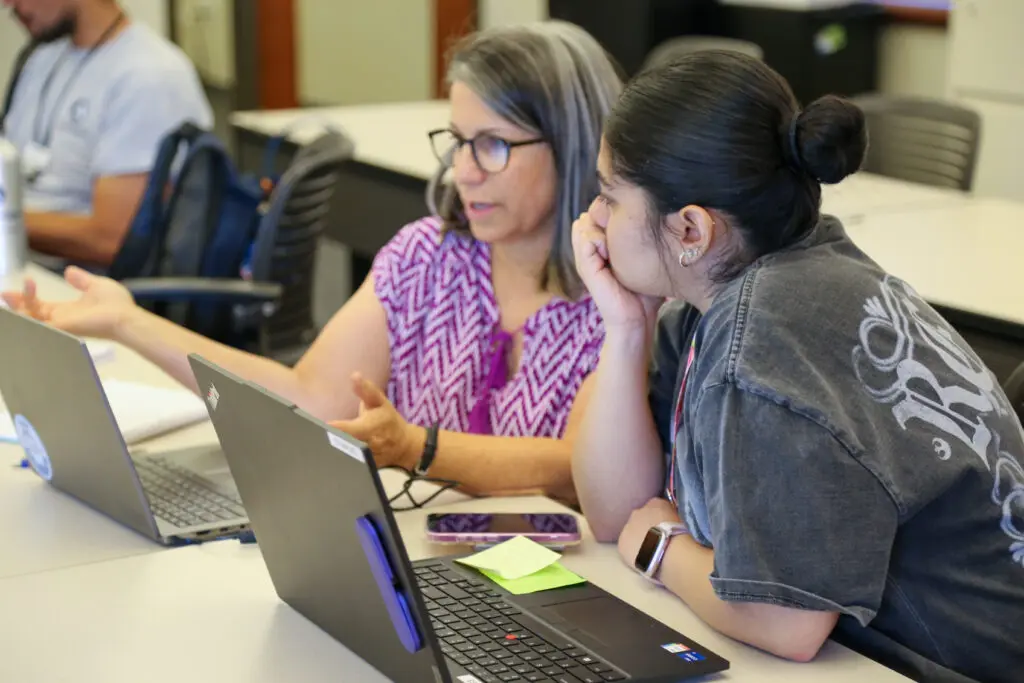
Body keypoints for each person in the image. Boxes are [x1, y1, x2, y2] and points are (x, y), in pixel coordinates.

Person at [4, 21, 623, 503]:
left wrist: (415, 447)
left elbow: (578, 469)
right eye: (458, 141)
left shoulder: (618, 295)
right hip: (434, 558)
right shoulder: (428, 256)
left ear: (572, 144)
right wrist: (128, 322)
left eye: (491, 145)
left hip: (556, 584)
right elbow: (310, 398)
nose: (463, 171)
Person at [572, 51, 1024, 682]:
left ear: (691, 230)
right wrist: (626, 330)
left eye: (609, 196)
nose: (593, 219)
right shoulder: (759, 284)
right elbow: (613, 511)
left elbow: (784, 621)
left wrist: (661, 549)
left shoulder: (768, 330)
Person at [1, 0, 212, 267]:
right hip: (20, 266)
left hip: (80, 288)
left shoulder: (149, 75)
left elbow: (111, 239)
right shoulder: (42, 59)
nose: (8, 5)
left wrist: (9, 221)